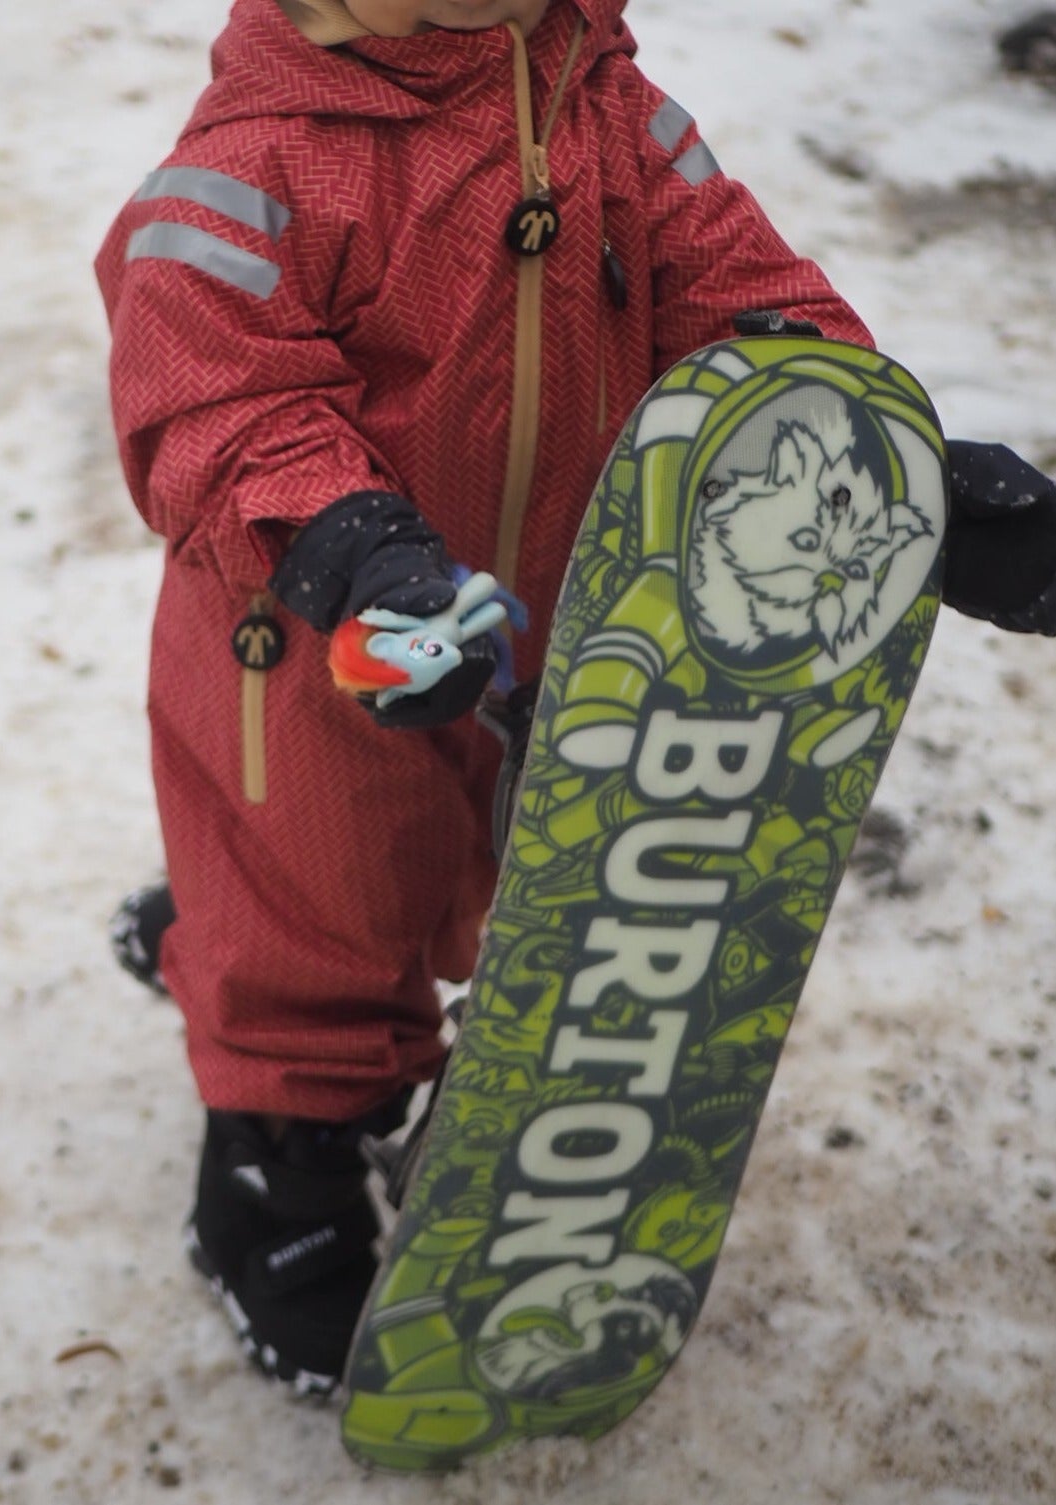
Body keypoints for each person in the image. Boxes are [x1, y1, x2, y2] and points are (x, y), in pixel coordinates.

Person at [94, 0, 1056, 1394]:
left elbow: (735, 292)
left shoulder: (597, 104)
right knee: (319, 908)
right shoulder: (256, 164)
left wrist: (881, 462)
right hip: (312, 642)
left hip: (563, 615)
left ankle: (267, 969)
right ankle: (271, 1167)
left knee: (521, 865)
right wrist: (349, 547)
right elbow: (210, 399)